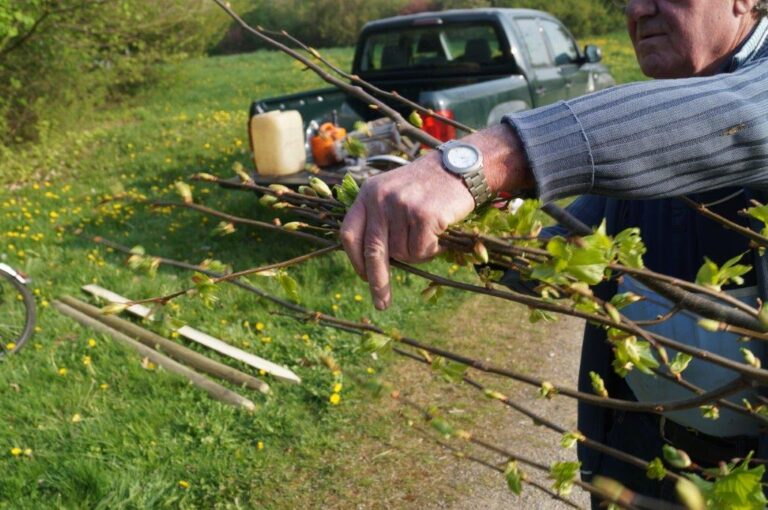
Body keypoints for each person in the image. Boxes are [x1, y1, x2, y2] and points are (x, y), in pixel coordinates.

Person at [341, 0, 768, 504]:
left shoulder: (731, 98)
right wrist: (464, 240)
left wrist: (476, 163)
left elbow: (739, 113)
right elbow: (565, 258)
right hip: (641, 461)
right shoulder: (660, 107)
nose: (639, 9)